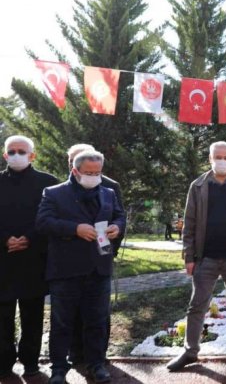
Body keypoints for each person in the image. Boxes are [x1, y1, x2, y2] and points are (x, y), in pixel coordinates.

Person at [167, 141, 226, 374]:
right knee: (196, 306)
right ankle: (190, 351)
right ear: (210, 159)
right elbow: (189, 224)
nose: (222, 161)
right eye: (217, 157)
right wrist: (189, 257)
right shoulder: (197, 186)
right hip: (205, 258)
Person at [36, 150, 125, 384]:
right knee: (62, 323)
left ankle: (96, 364)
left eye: (98, 173)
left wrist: (117, 227)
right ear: (75, 171)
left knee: (97, 321)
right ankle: (58, 368)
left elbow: (119, 216)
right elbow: (43, 222)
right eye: (89, 173)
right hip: (66, 270)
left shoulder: (108, 193)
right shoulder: (54, 193)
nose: (94, 177)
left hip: (99, 268)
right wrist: (74, 229)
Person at [0, 136, 58, 379]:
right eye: (11, 151)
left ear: (32, 155)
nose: (16, 155)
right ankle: (3, 363)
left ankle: (31, 362)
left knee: (32, 316)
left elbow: (52, 218)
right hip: (2, 261)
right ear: (5, 155)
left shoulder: (48, 184)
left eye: (21, 151)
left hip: (34, 259)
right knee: (2, 317)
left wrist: (30, 238)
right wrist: (5, 239)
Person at [65, 144, 124, 367]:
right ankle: (75, 352)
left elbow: (119, 217)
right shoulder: (61, 188)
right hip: (71, 260)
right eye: (71, 160)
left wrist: (111, 249)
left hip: (100, 257)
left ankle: (98, 355)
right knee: (72, 311)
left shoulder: (110, 186)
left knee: (99, 312)